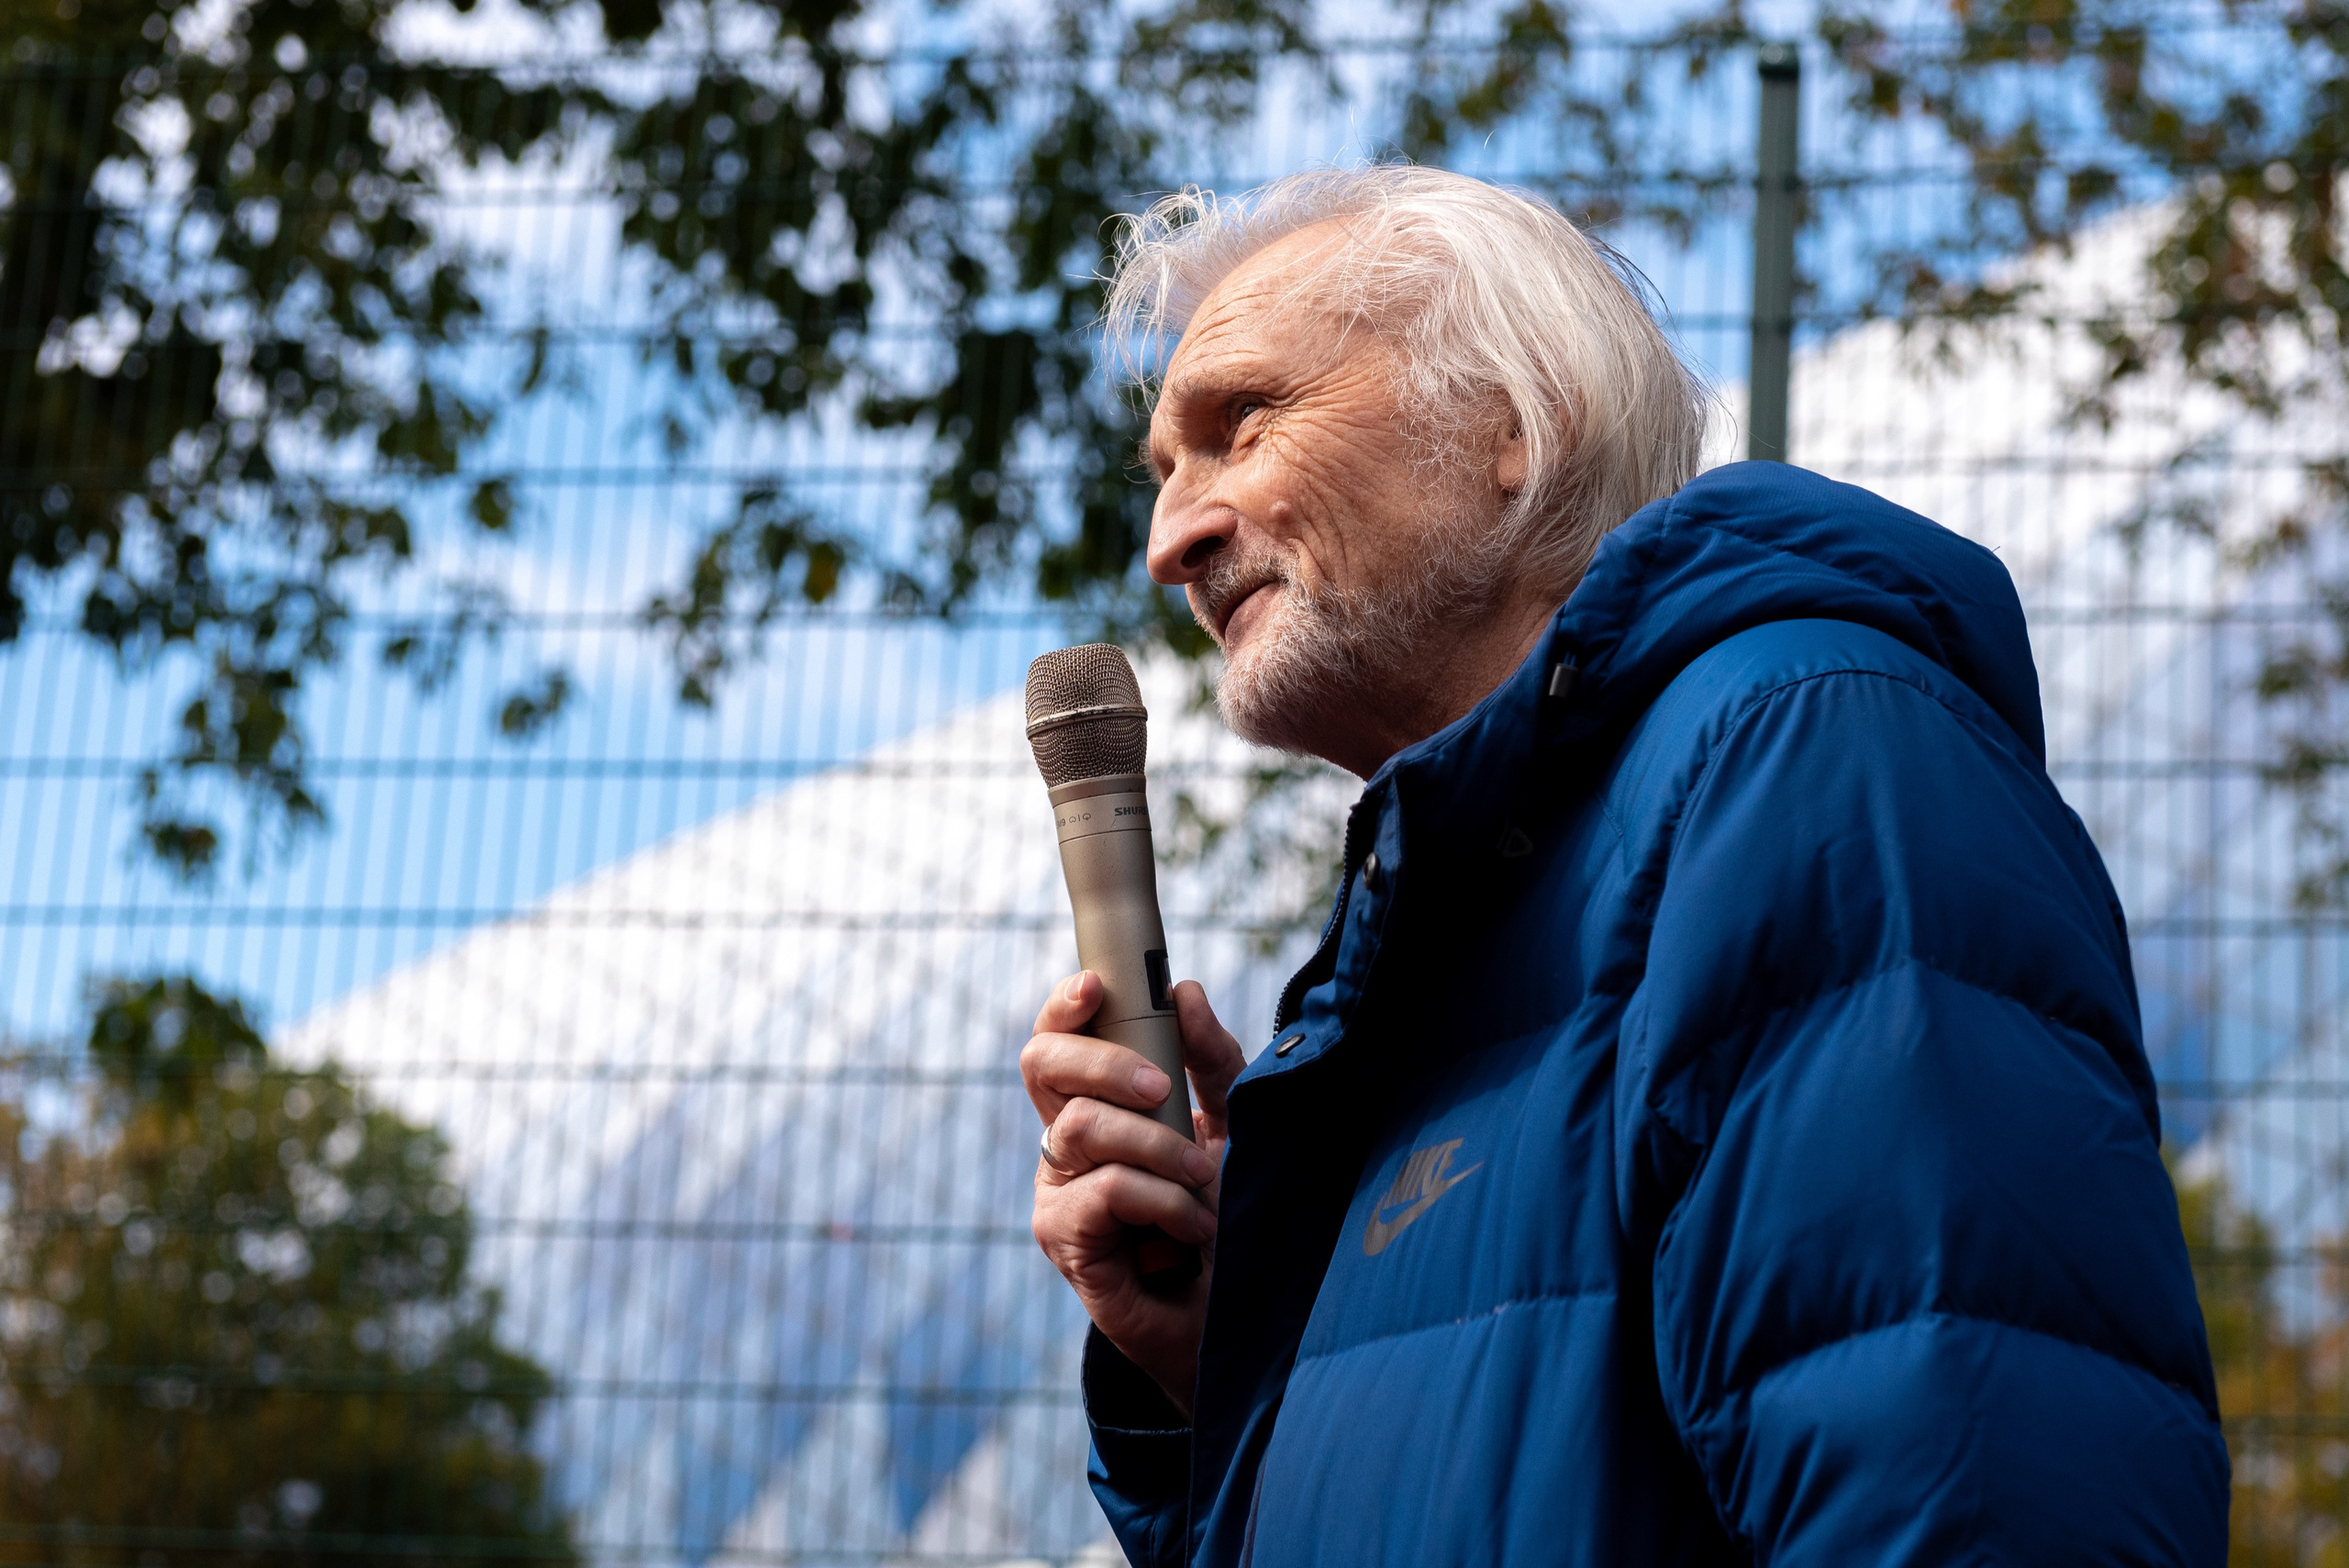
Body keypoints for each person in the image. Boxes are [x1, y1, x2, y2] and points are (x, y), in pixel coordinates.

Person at [1019, 164, 2228, 1566]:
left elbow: (1974, 1493)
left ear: (1514, 422)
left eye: (1244, 426)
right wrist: (1228, 1367)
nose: (1174, 540)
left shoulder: (1803, 759)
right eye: (1165, 474)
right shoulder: (1443, 959)